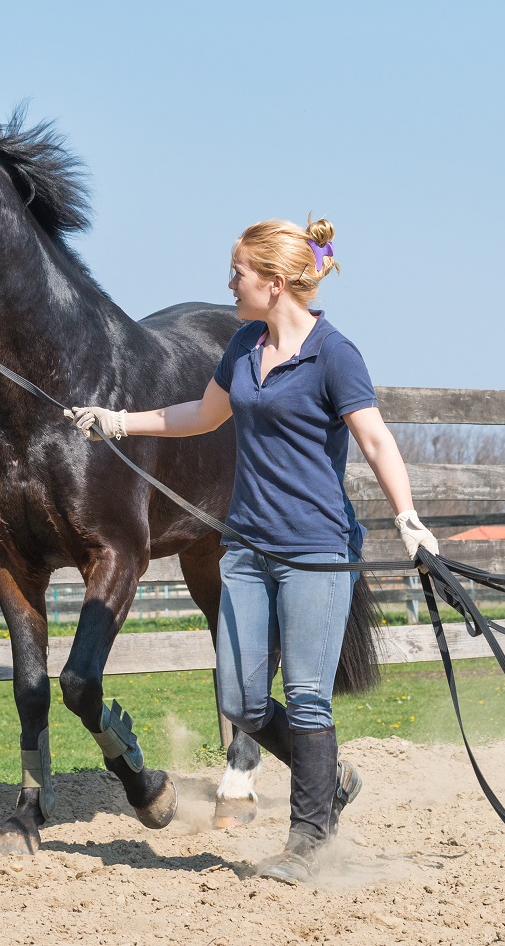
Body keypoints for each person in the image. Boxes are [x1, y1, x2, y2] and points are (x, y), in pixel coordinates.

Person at [65, 215, 439, 882]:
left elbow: (376, 440)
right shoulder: (243, 345)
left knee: (307, 695)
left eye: (237, 272)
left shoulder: (334, 354)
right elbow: (200, 415)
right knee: (241, 699)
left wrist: (408, 519)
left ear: (274, 282)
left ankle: (308, 841)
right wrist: (117, 422)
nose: (229, 284)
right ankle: (332, 778)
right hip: (245, 547)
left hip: (315, 550)